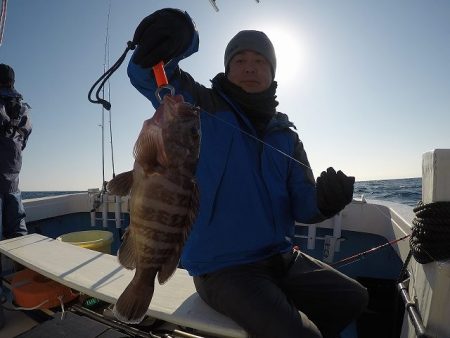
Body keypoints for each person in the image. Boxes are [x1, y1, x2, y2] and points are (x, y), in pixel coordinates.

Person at [127, 9, 368, 338]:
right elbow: (149, 75)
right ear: (227, 69)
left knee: (354, 297)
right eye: (240, 60)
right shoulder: (201, 104)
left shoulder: (287, 135)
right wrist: (183, 35)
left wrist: (326, 202)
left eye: (260, 61)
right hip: (223, 268)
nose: (250, 67)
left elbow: (303, 205)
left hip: (281, 259)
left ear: (272, 72)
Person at [0, 63, 31, 328]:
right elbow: (24, 140)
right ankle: (26, 298)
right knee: (18, 239)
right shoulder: (22, 110)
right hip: (12, 185)